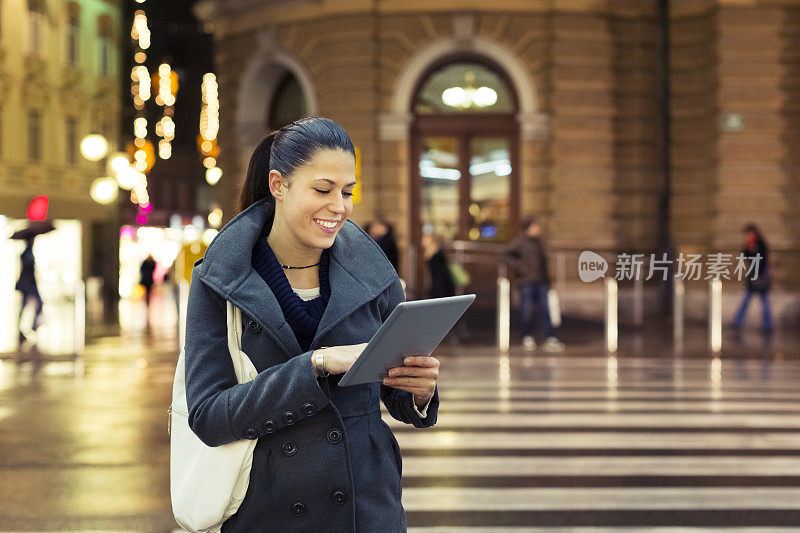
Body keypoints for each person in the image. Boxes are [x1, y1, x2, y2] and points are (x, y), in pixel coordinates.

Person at [183, 117, 439, 531]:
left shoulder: (376, 275)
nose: (339, 207)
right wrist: (316, 364)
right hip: (270, 510)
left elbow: (392, 399)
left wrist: (419, 391)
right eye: (322, 190)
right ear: (278, 184)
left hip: (366, 509)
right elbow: (209, 417)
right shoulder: (219, 280)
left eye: (347, 191)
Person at [505, 216, 564, 352]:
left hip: (541, 281)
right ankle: (527, 336)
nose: (538, 229)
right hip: (526, 281)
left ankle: (549, 337)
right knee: (526, 310)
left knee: (545, 310)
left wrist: (548, 281)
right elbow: (506, 255)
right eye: (535, 226)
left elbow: (544, 263)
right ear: (528, 228)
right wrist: (520, 267)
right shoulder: (519, 242)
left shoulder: (540, 243)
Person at [731, 223, 773, 332]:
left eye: (749, 234)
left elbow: (763, 260)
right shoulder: (749, 245)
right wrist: (747, 248)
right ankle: (737, 322)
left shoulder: (761, 244)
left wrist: (757, 273)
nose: (748, 236)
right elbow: (745, 257)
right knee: (746, 300)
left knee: (764, 302)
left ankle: (768, 325)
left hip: (761, 277)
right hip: (752, 277)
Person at [15, 237, 43, 344]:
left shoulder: (27, 253)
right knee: (35, 305)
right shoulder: (26, 254)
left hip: (28, 284)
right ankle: (31, 327)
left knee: (28, 305)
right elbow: (27, 272)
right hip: (28, 285)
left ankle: (31, 326)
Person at [421, 232, 455, 299]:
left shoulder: (436, 258)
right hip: (441, 291)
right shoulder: (435, 255)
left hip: (442, 292)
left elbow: (440, 280)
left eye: (426, 238)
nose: (422, 240)